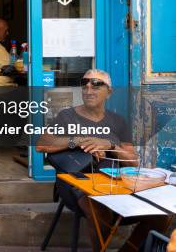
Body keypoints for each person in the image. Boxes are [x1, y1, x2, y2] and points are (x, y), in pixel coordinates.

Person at [36, 69, 170, 252]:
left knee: (159, 215)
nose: (89, 89)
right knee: (100, 209)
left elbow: (132, 162)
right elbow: (42, 145)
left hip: (115, 182)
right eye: (85, 84)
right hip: (77, 183)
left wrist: (110, 145)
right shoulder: (67, 117)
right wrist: (77, 140)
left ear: (109, 92)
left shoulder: (118, 121)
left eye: (97, 84)